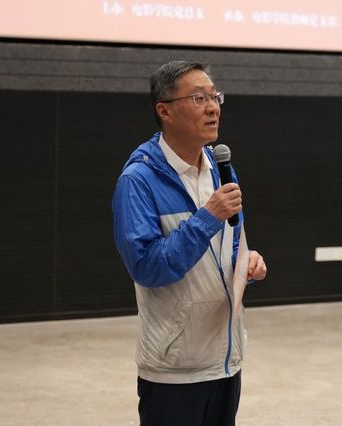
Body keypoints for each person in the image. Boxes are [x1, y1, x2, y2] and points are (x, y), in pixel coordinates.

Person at [112, 60, 267, 426]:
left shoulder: (219, 168)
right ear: (164, 111)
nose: (213, 108)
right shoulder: (138, 181)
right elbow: (147, 267)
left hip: (225, 358)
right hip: (175, 370)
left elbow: (230, 245)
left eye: (215, 97)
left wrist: (246, 262)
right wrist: (207, 217)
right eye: (199, 98)